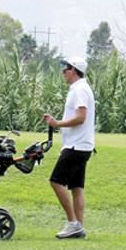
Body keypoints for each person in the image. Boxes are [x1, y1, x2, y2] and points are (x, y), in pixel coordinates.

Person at [42, 56, 95, 239]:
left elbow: (81, 117)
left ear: (72, 70)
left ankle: (73, 223)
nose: (63, 72)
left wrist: (57, 123)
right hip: (83, 145)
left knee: (56, 181)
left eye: (65, 69)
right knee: (76, 187)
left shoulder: (79, 90)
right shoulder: (81, 88)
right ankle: (79, 227)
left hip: (76, 146)